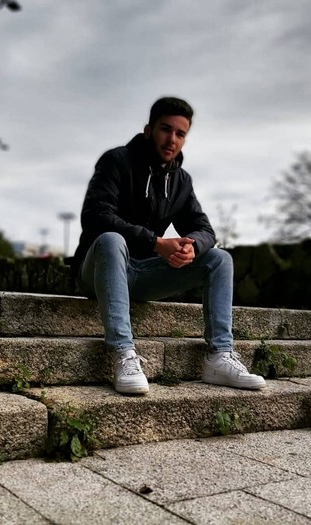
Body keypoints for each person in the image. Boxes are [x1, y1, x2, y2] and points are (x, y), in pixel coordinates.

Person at [73, 96, 266, 394]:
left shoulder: (180, 181)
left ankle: (219, 356)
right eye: (165, 129)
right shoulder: (116, 161)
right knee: (112, 239)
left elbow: (205, 230)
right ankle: (123, 353)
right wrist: (155, 243)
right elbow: (96, 216)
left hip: (143, 275)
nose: (172, 139)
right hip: (100, 270)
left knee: (219, 259)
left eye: (180, 133)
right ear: (149, 130)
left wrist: (192, 247)